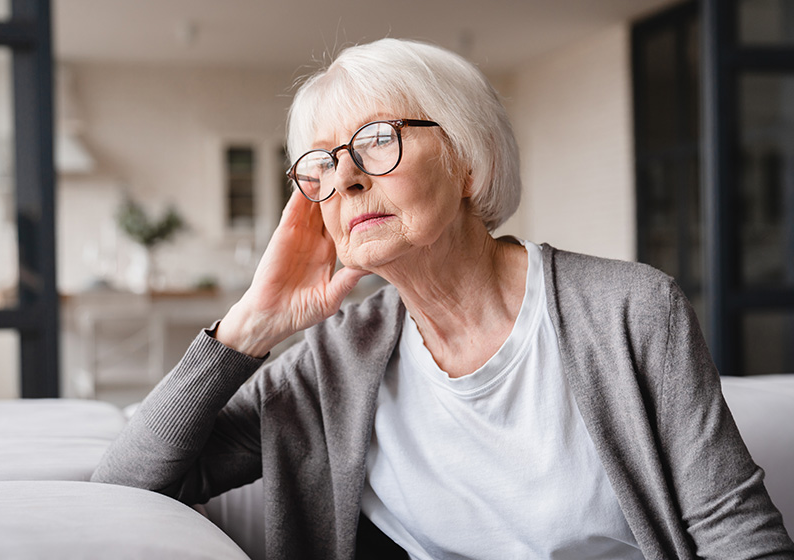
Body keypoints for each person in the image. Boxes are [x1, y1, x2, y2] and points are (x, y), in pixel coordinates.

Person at [92, 38, 794, 559]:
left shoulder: (629, 309)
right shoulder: (332, 361)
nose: (348, 179)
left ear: (465, 160)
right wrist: (250, 325)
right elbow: (126, 485)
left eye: (375, 142)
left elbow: (740, 538)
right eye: (323, 164)